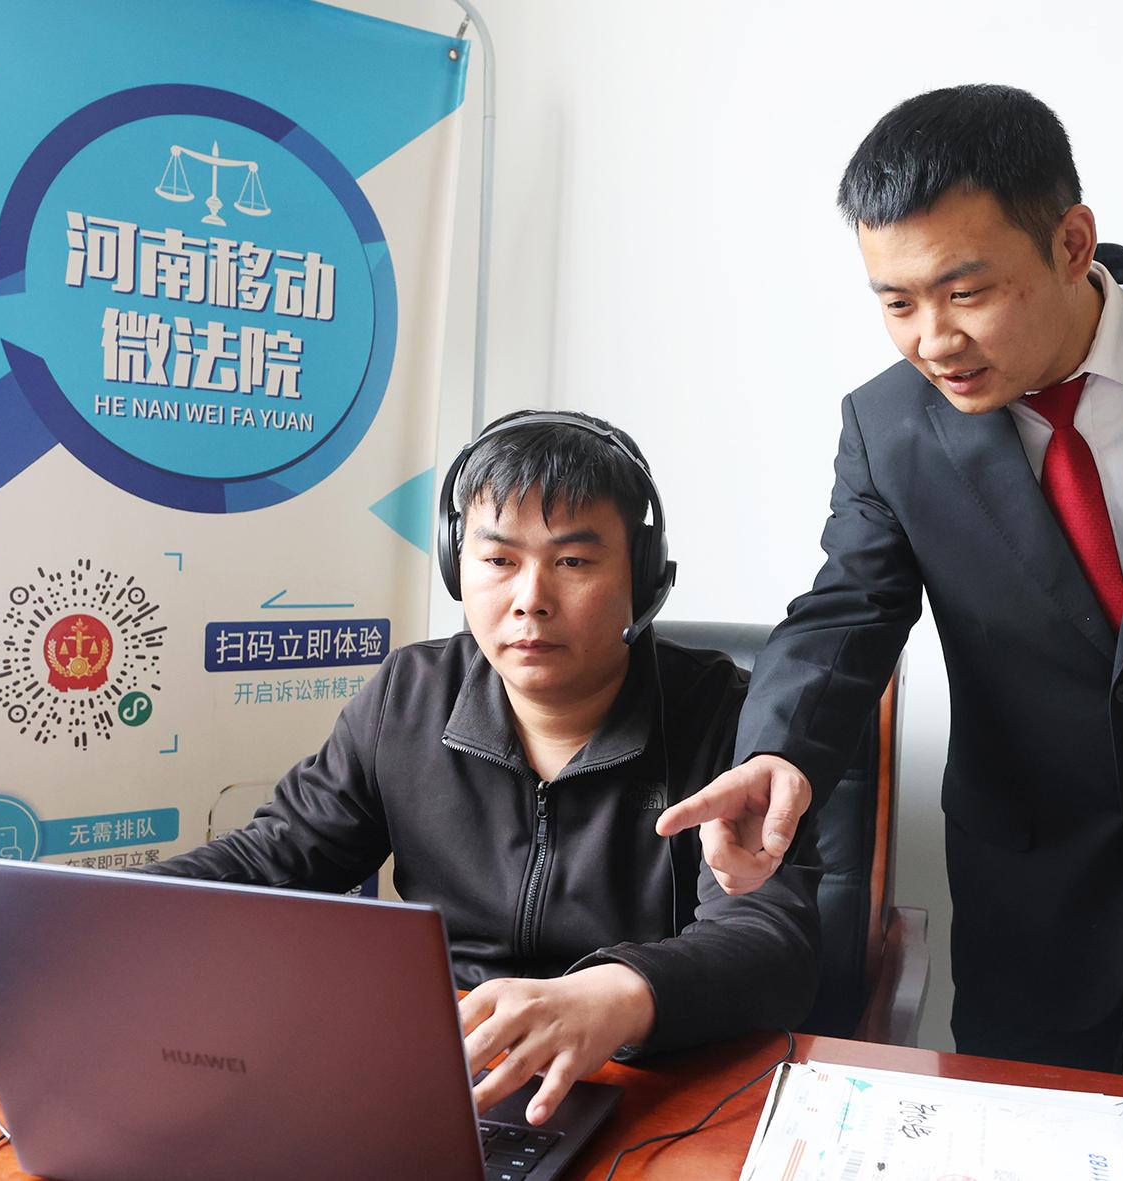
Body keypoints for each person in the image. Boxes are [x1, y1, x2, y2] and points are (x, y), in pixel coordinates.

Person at [658, 84, 1123, 1096]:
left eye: (965, 291)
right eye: (897, 302)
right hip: (1031, 893)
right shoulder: (888, 427)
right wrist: (776, 750)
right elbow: (846, 609)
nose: (932, 339)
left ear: (1070, 243)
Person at [150, 410, 820, 1123]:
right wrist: (107, 910)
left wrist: (620, 992)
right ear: (455, 565)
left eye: (573, 562)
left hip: (651, 1079)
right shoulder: (410, 696)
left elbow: (768, 939)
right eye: (499, 561)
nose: (531, 600)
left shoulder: (728, 718)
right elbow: (276, 857)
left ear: (644, 575)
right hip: (450, 1067)